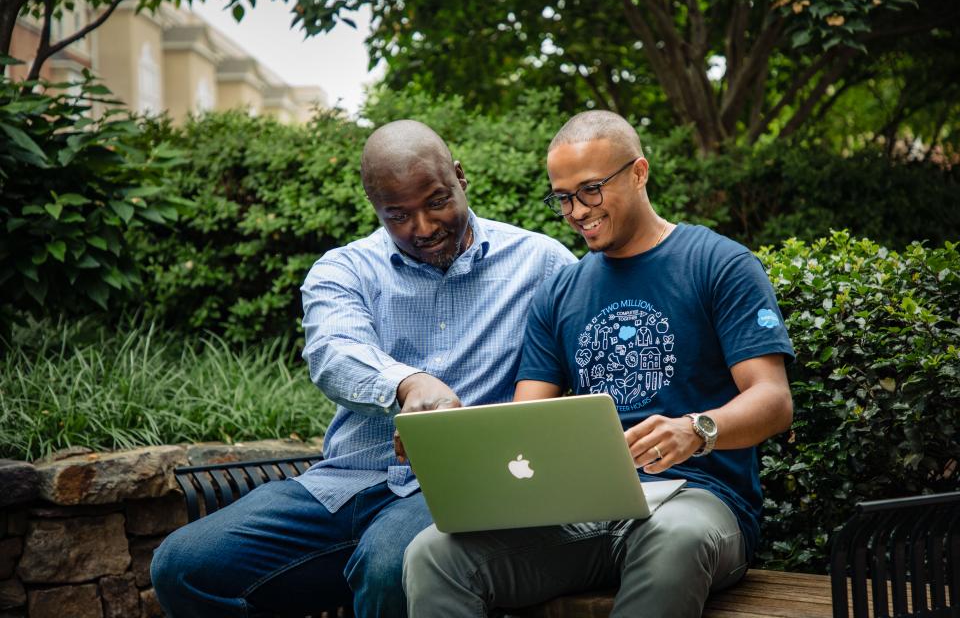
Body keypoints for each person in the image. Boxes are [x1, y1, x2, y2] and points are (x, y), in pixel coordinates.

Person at [150, 120, 576, 618]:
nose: (423, 227)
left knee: (389, 565)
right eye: (398, 215)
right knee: (181, 566)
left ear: (460, 178)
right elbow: (333, 350)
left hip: (460, 490)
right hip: (346, 482)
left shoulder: (541, 263)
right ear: (374, 207)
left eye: (437, 201)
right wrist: (406, 383)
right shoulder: (343, 270)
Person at [403, 110, 795, 618]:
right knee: (432, 554)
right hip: (585, 512)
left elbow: (774, 400)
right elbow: (524, 425)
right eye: (562, 197)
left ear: (638, 172)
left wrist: (697, 430)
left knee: (671, 540)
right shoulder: (560, 291)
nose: (575, 211)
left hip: (698, 504)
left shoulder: (719, 263)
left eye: (590, 190)